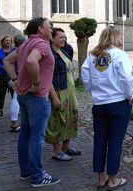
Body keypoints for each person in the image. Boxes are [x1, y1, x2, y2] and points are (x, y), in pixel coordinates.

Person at [3, 17, 60, 187]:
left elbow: (7, 61)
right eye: (49, 27)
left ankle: (26, 172)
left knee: (25, 134)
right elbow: (31, 61)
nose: (51, 30)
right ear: (40, 29)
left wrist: (15, 79)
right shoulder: (41, 44)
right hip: (36, 97)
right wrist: (36, 84)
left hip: (24, 96)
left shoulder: (26, 44)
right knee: (36, 137)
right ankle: (37, 176)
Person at [81, 26, 133, 190]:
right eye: (119, 36)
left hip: (99, 104)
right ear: (114, 37)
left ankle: (101, 177)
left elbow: (84, 74)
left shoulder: (92, 55)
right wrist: (129, 96)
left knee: (100, 140)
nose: (121, 39)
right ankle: (113, 179)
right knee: (115, 141)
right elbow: (126, 78)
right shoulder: (119, 54)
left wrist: (93, 91)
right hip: (117, 102)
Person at [45, 27, 80, 161]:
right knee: (57, 120)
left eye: (65, 37)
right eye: (61, 37)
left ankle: (65, 147)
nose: (64, 39)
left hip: (70, 91)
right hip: (58, 91)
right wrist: (54, 97)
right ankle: (56, 151)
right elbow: (47, 77)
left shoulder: (64, 51)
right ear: (52, 38)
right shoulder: (49, 54)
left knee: (71, 118)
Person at [8, 34, 27, 132]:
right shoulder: (21, 51)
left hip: (12, 79)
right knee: (16, 99)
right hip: (18, 79)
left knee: (18, 99)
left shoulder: (12, 51)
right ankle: (14, 123)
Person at [0, 35, 14, 117]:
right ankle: (0, 110)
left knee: (14, 94)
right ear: (3, 42)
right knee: (1, 94)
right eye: (6, 40)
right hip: (2, 76)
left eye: (9, 40)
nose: (8, 42)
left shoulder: (14, 51)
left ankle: (16, 110)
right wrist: (2, 66)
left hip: (13, 76)